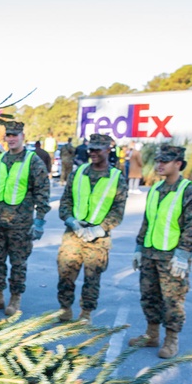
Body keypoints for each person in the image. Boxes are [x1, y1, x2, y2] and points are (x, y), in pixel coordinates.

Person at [129, 144, 192, 359]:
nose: (159, 165)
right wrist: (138, 247)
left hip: (172, 257)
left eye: (164, 161)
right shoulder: (155, 189)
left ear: (178, 164)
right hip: (150, 253)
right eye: (158, 161)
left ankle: (171, 339)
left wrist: (183, 254)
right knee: (149, 296)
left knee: (172, 300)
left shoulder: (188, 190)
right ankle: (151, 335)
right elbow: (147, 222)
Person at [0, 121, 51, 317]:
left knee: (18, 262)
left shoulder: (33, 161)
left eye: (14, 135)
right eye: (8, 135)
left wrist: (40, 221)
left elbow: (43, 192)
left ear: (22, 136)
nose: (11, 138)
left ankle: (15, 298)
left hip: (20, 224)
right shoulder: (0, 159)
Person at [57, 133, 128, 324]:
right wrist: (71, 220)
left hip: (98, 237)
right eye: (91, 148)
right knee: (65, 273)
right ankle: (65, 309)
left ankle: (86, 313)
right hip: (74, 233)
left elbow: (117, 211)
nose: (93, 152)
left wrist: (100, 229)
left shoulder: (117, 178)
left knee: (92, 278)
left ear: (108, 150)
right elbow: (65, 201)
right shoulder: (78, 173)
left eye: (97, 149)